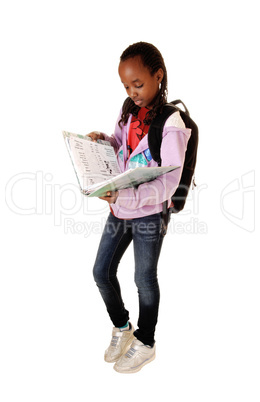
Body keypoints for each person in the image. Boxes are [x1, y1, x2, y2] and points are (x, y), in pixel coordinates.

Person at [87, 42, 191, 373]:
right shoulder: (128, 111)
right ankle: (122, 327)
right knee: (101, 271)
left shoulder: (170, 124)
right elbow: (123, 146)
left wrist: (128, 198)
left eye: (138, 84)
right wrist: (104, 140)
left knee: (143, 278)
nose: (133, 92)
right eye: (126, 86)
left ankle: (146, 342)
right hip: (120, 208)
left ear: (158, 76)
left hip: (147, 213)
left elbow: (169, 182)